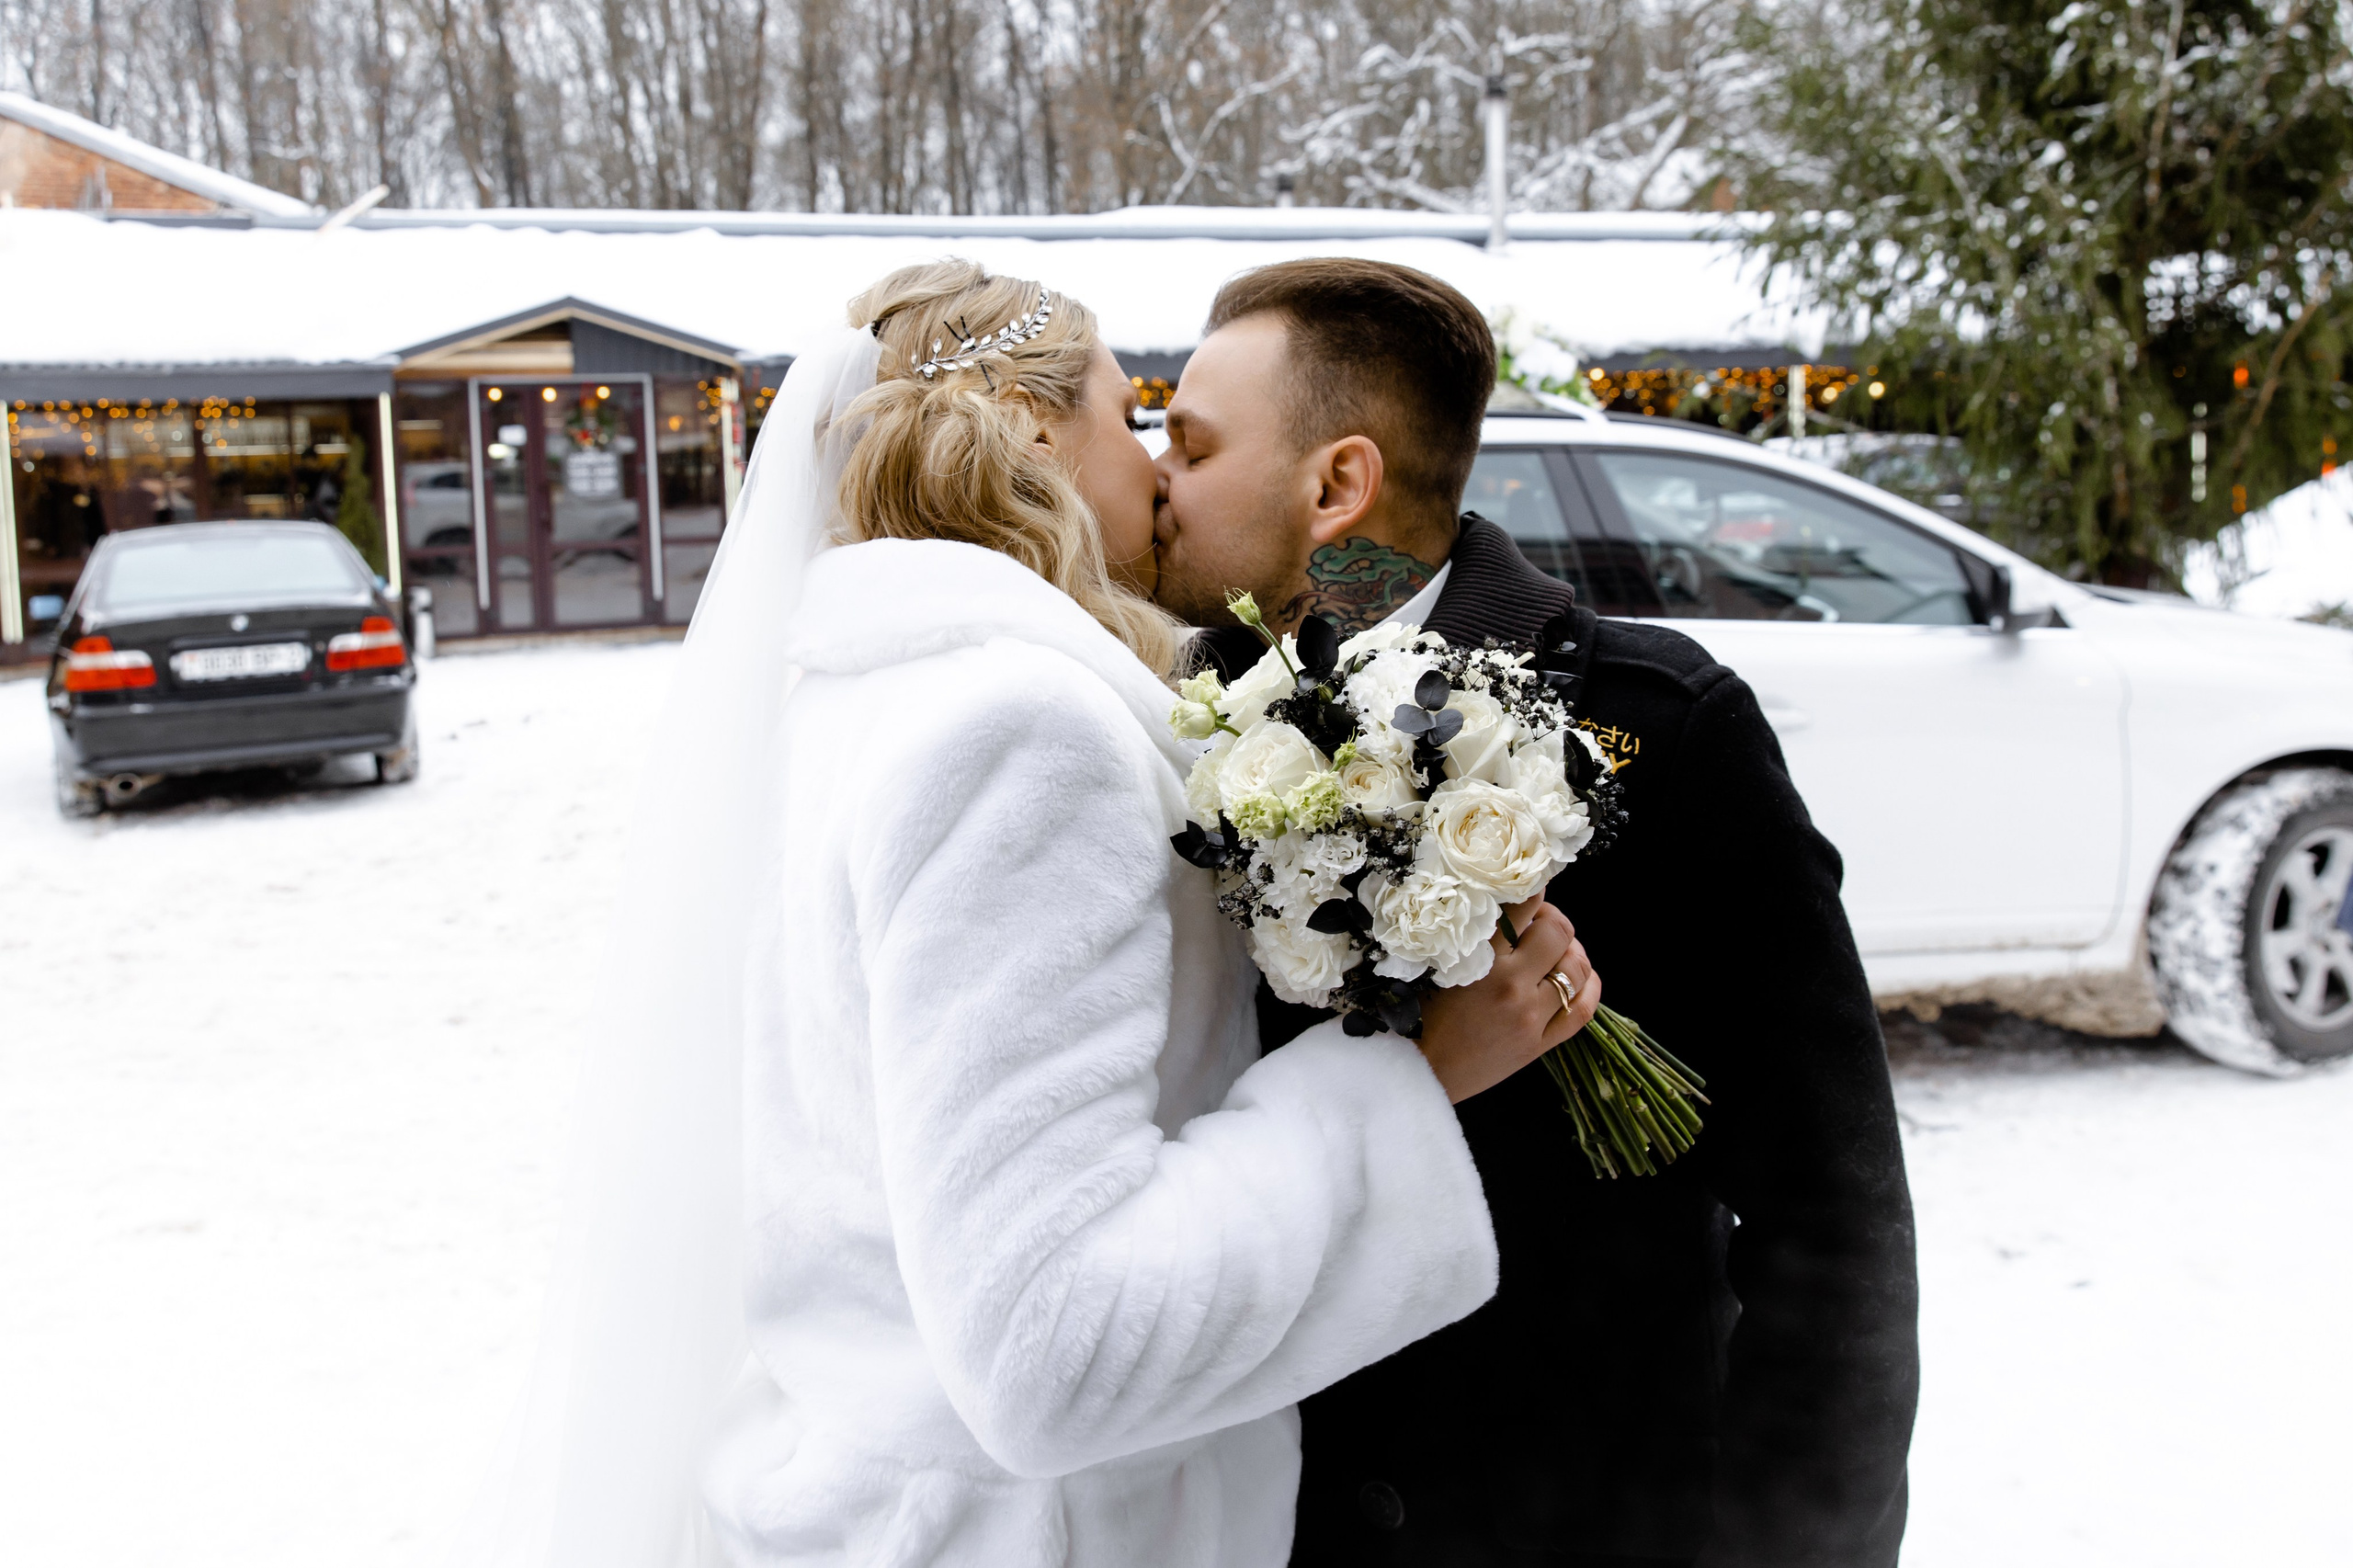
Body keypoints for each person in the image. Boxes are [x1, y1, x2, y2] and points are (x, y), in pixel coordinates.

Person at [451, 258, 1609, 1568]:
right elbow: (1050, 1341)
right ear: (1034, 430)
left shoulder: (870, 691)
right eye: (1133, 419)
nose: (1161, 470)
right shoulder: (1017, 732)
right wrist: (1405, 1083)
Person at [1155, 257, 1920, 1568]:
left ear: (1337, 484)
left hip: (1588, 1515)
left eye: (1189, 441)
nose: (1155, 476)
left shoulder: (1664, 732)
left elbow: (1831, 1216)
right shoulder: (1181, 725)